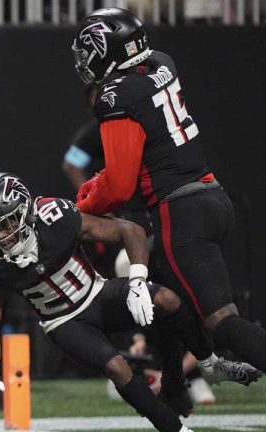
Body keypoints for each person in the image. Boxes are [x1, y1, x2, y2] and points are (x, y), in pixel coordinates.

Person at [71, 7, 266, 406]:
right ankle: (176, 388)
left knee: (224, 324)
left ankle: (199, 372)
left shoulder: (115, 95)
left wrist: (86, 200)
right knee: (159, 297)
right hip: (211, 196)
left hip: (180, 213)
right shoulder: (161, 62)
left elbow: (121, 188)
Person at [0, 174, 260, 432]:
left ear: (24, 212)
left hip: (98, 292)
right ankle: (174, 429)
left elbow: (129, 230)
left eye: (5, 225)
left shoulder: (54, 218)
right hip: (63, 322)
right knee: (118, 368)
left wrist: (136, 281)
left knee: (168, 300)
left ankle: (208, 364)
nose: (1, 237)